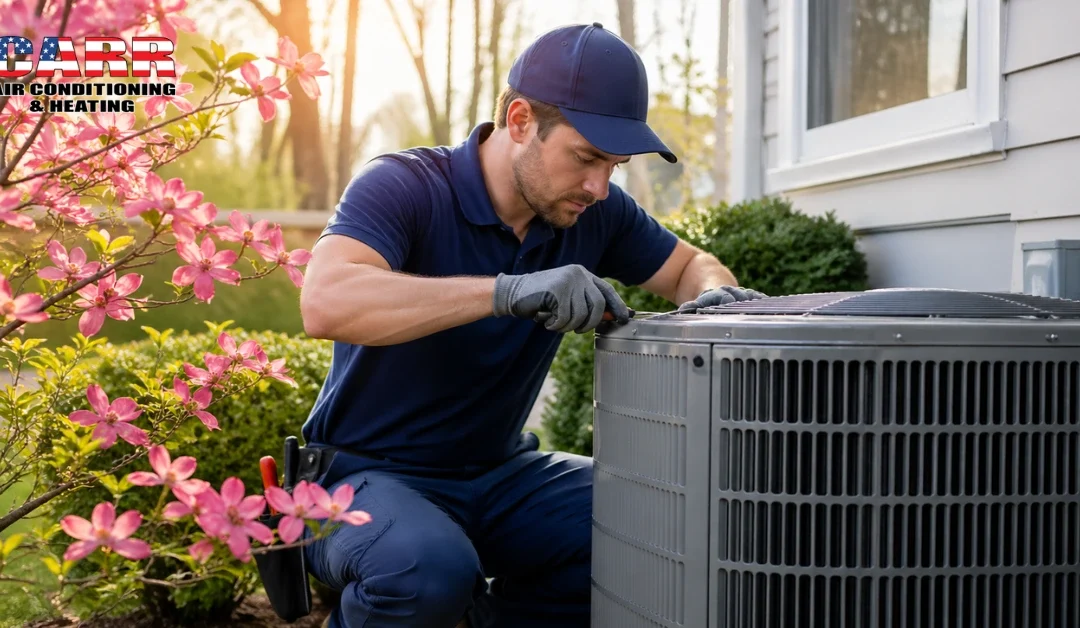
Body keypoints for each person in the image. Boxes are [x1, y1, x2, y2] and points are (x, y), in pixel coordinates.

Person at [297, 22, 766, 628]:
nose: (599, 186)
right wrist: (506, 292)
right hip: (359, 476)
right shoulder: (404, 186)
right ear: (520, 121)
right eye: (586, 158)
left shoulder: (594, 212)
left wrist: (716, 297)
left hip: (498, 475)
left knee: (658, 516)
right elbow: (326, 301)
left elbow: (689, 266)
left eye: (614, 166)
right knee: (425, 570)